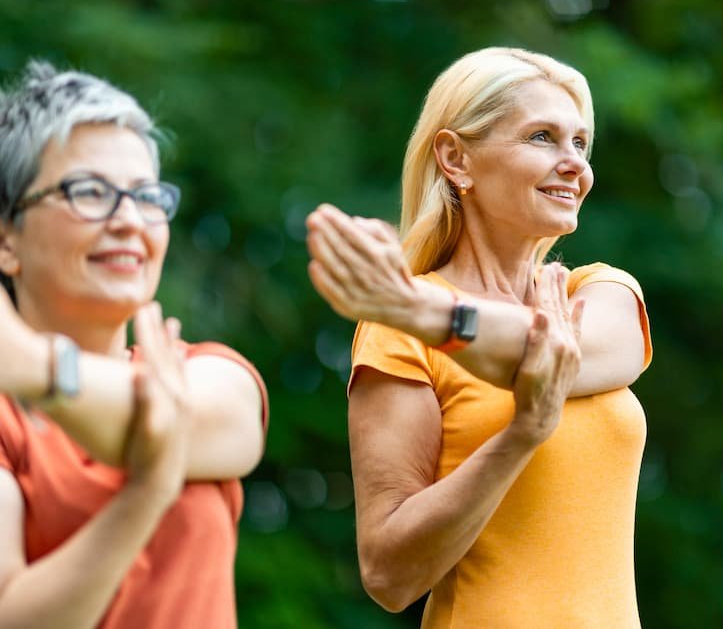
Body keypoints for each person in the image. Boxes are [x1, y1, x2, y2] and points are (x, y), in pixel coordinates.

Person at [305, 47, 652, 627]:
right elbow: (390, 576)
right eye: (542, 137)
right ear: (456, 158)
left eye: (580, 143)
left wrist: (431, 312)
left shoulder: (597, 294)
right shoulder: (399, 332)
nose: (574, 164)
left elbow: (557, 355)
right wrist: (519, 437)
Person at [0, 61, 268, 628]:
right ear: (7, 239)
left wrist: (36, 368)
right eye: (90, 191)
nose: (129, 220)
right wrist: (147, 493)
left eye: (146, 197)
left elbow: (220, 426)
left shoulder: (211, 373)